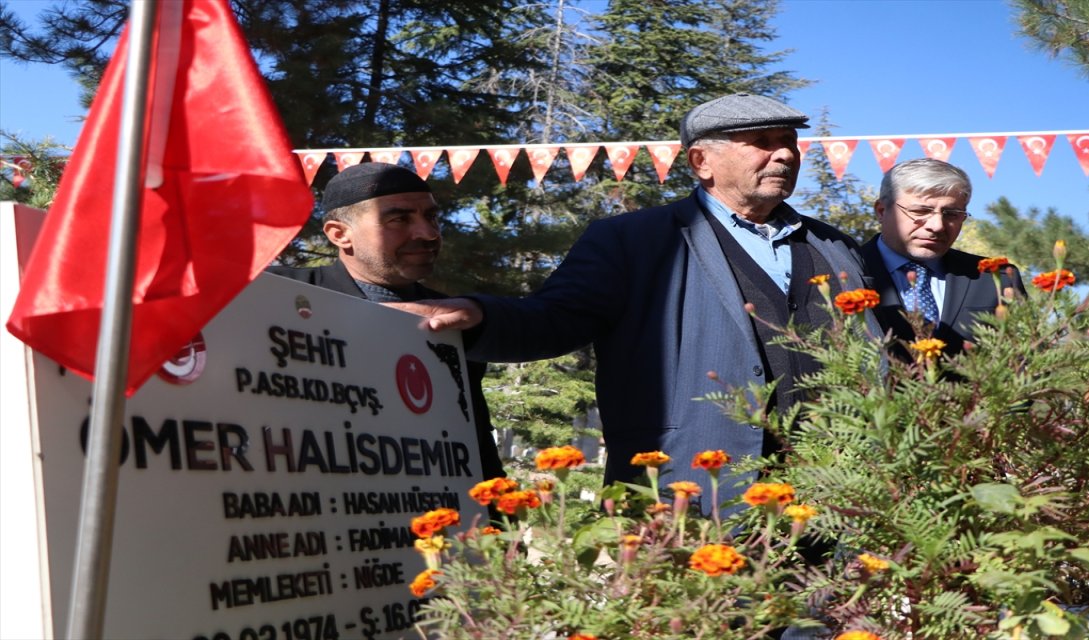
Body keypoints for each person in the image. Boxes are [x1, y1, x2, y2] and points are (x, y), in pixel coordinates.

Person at [395, 93, 882, 507]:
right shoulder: (634, 241)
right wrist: (481, 315)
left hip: (835, 494)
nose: (785, 155)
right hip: (692, 491)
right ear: (701, 162)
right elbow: (555, 318)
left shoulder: (833, 245)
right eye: (762, 142)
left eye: (788, 142)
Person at [267, 162, 505, 482]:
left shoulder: (453, 318)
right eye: (398, 219)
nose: (429, 234)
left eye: (431, 217)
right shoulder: (275, 297)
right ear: (340, 234)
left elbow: (472, 436)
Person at [859, 158, 1024, 359]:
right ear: (882, 211)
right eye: (921, 211)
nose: (937, 226)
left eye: (951, 214)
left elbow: (1027, 359)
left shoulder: (996, 278)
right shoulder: (844, 270)